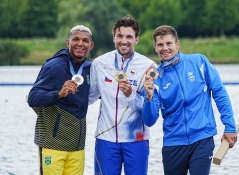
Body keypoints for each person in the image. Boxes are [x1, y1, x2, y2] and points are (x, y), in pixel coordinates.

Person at [142, 25, 238, 175]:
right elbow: (149, 120)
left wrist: (230, 126)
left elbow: (220, 93)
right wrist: (148, 97)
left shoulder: (199, 62)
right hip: (173, 143)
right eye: (160, 44)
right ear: (155, 47)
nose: (165, 48)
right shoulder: (154, 79)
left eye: (169, 43)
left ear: (177, 44)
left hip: (202, 138)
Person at [89, 15, 156, 175]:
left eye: (129, 37)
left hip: (136, 139)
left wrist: (130, 94)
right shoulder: (99, 63)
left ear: (136, 39)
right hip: (106, 137)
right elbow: (89, 97)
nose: (123, 41)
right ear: (114, 38)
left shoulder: (148, 67)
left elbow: (149, 110)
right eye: (120, 36)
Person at [27, 25, 94, 175]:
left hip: (77, 147)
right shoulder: (54, 66)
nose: (80, 43)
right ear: (68, 43)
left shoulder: (90, 68)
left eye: (85, 40)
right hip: (52, 144)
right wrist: (59, 94)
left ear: (91, 45)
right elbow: (33, 98)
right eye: (75, 39)